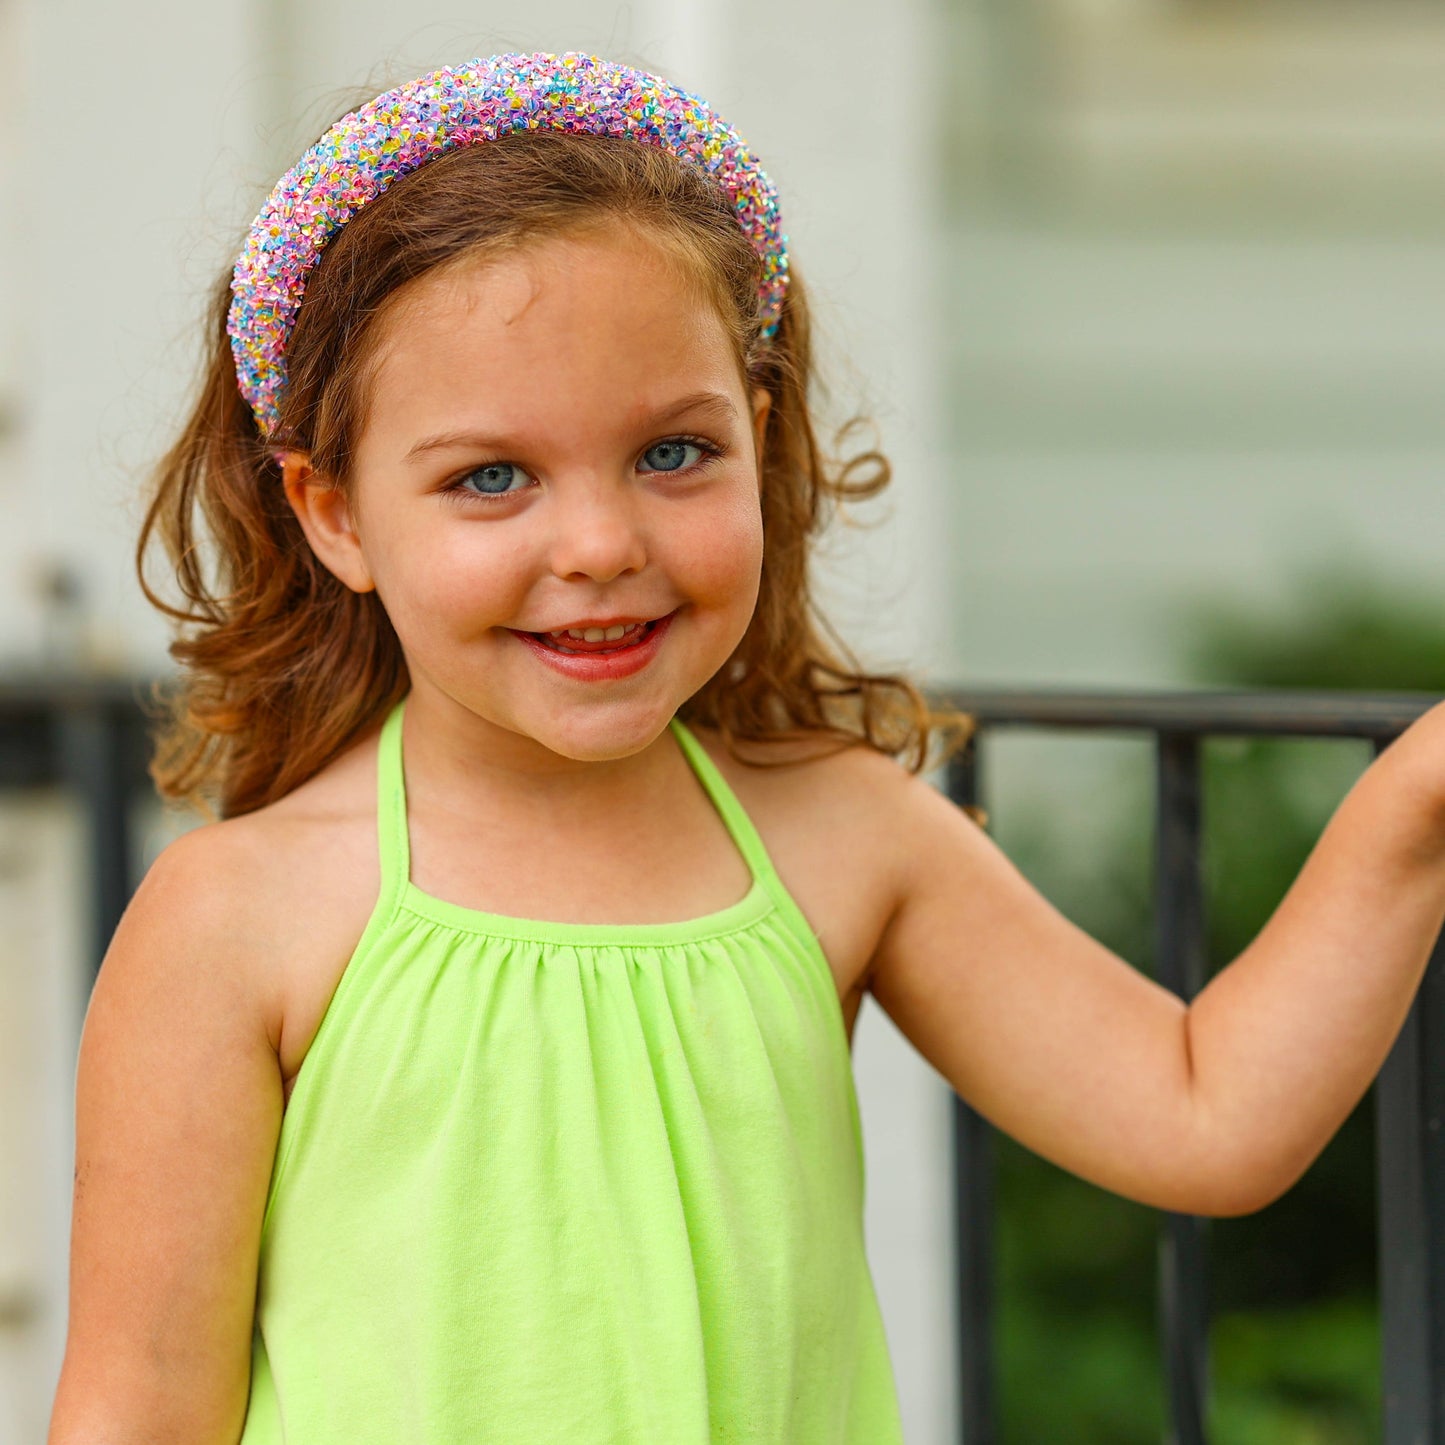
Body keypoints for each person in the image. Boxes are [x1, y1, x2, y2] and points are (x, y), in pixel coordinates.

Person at [47, 51, 1445, 1445]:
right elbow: (136, 1414)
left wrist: (1417, 803)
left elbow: (1204, 1116)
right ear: (333, 512)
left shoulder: (840, 836)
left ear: (756, 436)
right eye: (491, 477)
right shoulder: (236, 921)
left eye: (672, 454)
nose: (600, 545)